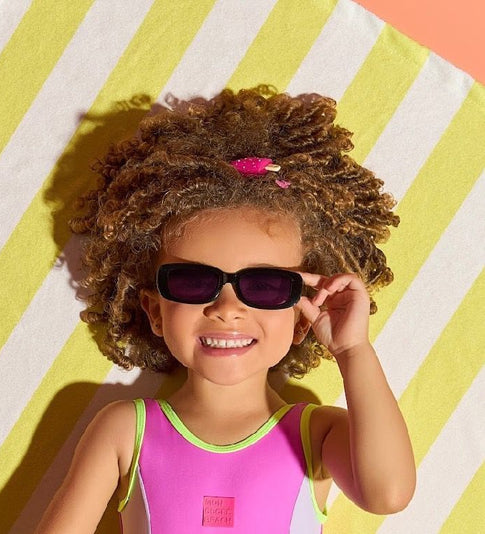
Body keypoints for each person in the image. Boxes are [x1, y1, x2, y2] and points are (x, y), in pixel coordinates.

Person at [35, 87, 416, 533]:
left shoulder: (319, 434)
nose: (227, 308)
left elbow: (388, 494)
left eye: (265, 286)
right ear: (154, 311)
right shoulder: (124, 430)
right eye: (194, 282)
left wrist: (353, 351)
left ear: (300, 318)